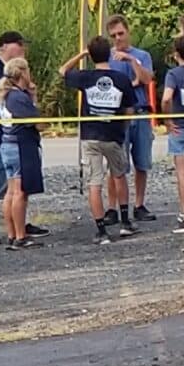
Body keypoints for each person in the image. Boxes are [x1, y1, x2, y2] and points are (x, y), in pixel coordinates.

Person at [62, 34, 140, 244]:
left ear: (92, 56)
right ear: (110, 54)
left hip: (90, 136)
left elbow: (63, 71)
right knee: (119, 176)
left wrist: (82, 54)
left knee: (94, 183)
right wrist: (122, 124)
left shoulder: (85, 77)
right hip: (113, 135)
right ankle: (125, 223)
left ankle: (101, 230)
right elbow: (130, 109)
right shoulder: (121, 79)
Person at [0, 57, 44, 251]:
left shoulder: (5, 94)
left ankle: (12, 233)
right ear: (22, 73)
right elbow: (37, 121)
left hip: (6, 144)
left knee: (11, 191)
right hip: (19, 146)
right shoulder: (17, 97)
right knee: (19, 193)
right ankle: (21, 236)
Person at [103, 15, 160, 224]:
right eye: (113, 36)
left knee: (142, 161)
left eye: (121, 33)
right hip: (118, 116)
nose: (118, 38)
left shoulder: (141, 55)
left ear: (128, 32)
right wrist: (129, 84)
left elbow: (146, 79)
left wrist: (131, 61)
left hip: (140, 113)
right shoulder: (108, 58)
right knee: (116, 163)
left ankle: (139, 204)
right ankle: (112, 207)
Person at [162, 35, 184, 234]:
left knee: (182, 172)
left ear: (176, 55)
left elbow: (166, 99)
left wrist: (167, 119)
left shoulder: (173, 74)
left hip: (179, 126)